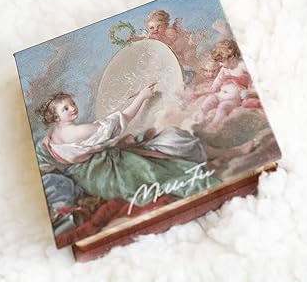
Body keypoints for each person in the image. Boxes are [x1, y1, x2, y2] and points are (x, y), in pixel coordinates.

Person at [35, 87, 218, 210]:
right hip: (104, 174)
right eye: (65, 109)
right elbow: (122, 119)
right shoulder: (80, 131)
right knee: (155, 170)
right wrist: (142, 97)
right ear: (56, 117)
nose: (73, 108)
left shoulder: (51, 138)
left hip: (84, 178)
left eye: (72, 104)